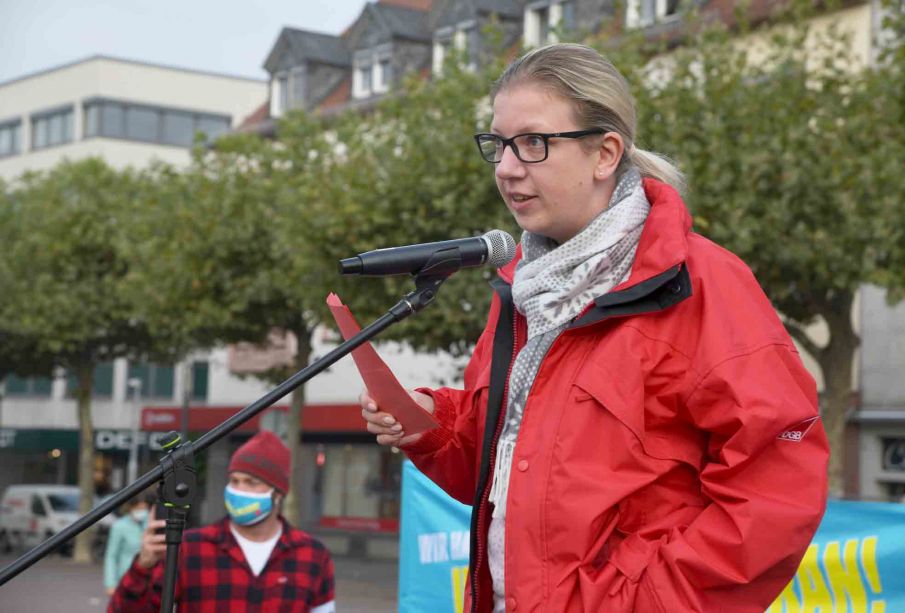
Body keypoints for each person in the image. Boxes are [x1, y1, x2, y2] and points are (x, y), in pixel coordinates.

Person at [361, 43, 829, 613]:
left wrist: (649, 600)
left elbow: (776, 486)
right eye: (498, 144)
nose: (507, 167)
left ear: (605, 153)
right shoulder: (521, 288)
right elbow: (514, 467)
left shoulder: (705, 283)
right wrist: (435, 425)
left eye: (533, 143)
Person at [108, 430, 335, 612]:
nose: (239, 489)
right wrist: (143, 566)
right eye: (234, 480)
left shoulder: (312, 555)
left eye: (251, 482)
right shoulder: (190, 548)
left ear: (278, 494)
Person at [103, 493, 154, 596]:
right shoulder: (119, 526)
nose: (142, 512)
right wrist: (110, 583)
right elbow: (111, 556)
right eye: (138, 508)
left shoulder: (151, 524)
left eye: (144, 508)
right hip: (126, 577)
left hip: (149, 578)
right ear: (131, 507)